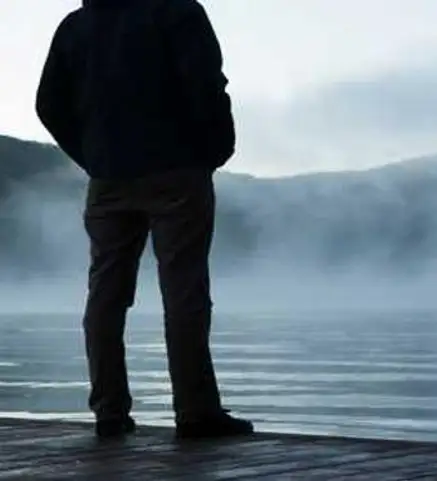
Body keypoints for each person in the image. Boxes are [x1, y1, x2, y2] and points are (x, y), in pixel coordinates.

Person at [35, 0, 254, 439]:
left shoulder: (76, 26)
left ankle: (109, 411)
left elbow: (48, 105)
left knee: (105, 293)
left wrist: (93, 156)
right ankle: (195, 412)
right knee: (184, 289)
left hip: (109, 177)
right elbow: (206, 85)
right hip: (177, 171)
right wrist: (214, 150)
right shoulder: (177, 11)